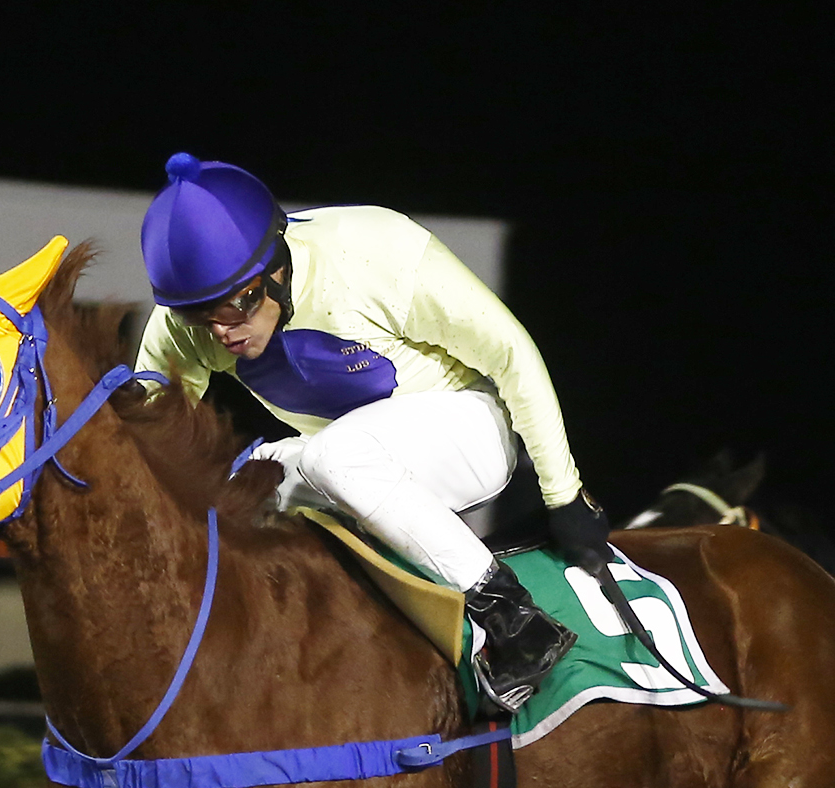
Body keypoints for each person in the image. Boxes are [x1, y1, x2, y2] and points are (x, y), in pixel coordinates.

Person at [135, 153, 612, 715]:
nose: (222, 331)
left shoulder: (374, 251)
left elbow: (511, 354)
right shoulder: (184, 325)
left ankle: (516, 620)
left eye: (239, 305)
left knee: (334, 455)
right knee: (240, 484)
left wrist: (564, 495)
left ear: (279, 267)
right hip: (352, 458)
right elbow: (145, 440)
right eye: (199, 316)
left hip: (467, 427)